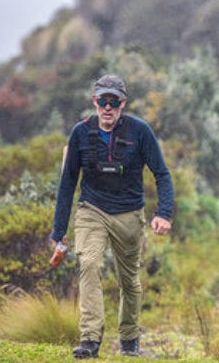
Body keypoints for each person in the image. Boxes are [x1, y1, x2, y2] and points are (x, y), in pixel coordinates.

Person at [50, 74, 174, 358]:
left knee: (128, 279)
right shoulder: (80, 133)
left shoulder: (140, 132)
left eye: (114, 102)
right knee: (90, 264)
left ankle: (129, 337)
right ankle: (90, 339)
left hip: (129, 214)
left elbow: (162, 174)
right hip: (91, 210)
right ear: (94, 102)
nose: (108, 107)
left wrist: (164, 213)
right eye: (102, 101)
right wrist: (59, 231)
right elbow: (67, 183)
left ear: (123, 103)